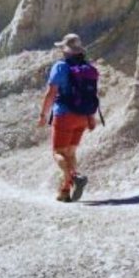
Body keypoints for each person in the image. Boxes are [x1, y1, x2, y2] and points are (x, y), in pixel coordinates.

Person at [38, 33, 101, 202]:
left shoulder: (61, 66)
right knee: (71, 153)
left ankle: (75, 177)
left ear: (66, 50)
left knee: (58, 152)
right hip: (83, 115)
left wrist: (43, 114)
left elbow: (51, 93)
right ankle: (65, 192)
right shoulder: (87, 68)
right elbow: (91, 93)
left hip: (64, 115)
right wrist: (91, 117)